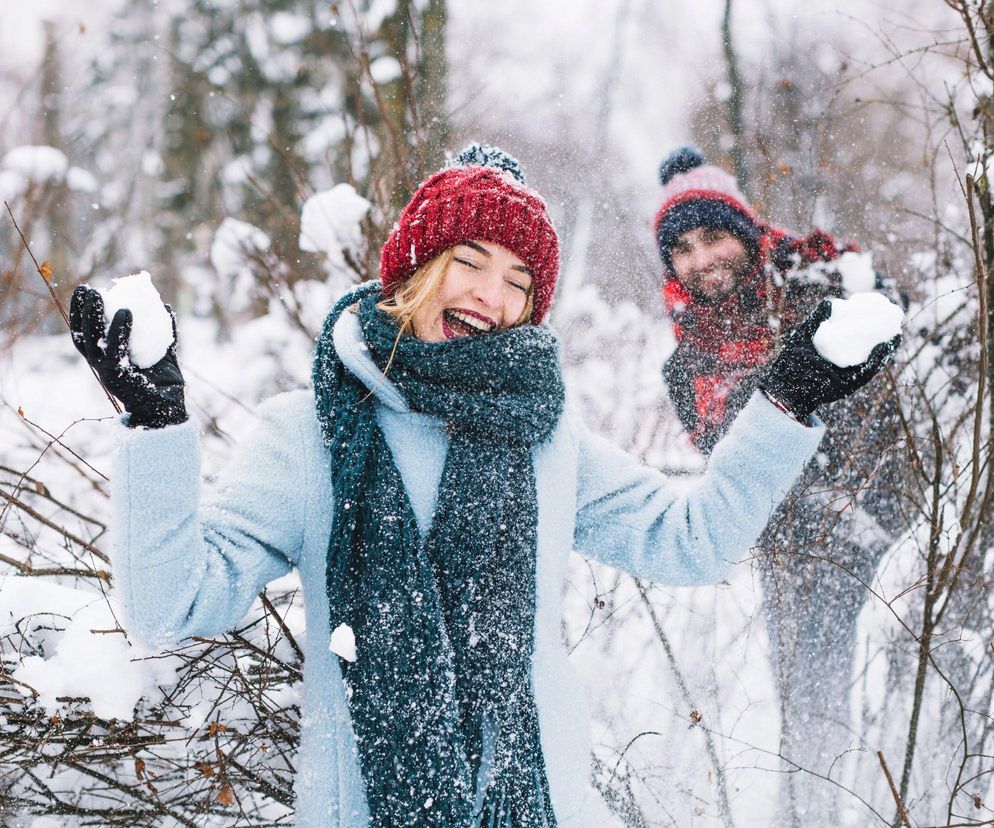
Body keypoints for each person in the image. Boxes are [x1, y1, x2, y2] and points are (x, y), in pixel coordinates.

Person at [69, 144, 896, 828]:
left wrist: (785, 398)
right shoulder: (309, 435)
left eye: (519, 282)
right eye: (468, 262)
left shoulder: (544, 434)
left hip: (541, 807)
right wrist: (155, 427)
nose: (491, 297)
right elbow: (171, 604)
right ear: (416, 266)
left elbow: (692, 541)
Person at [653, 146, 905, 824]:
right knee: (808, 712)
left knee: (905, 704)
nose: (702, 259)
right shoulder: (686, 366)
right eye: (682, 249)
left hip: (890, 534)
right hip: (796, 557)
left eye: (713, 236)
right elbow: (736, 470)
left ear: (745, 230)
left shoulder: (821, 283)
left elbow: (892, 349)